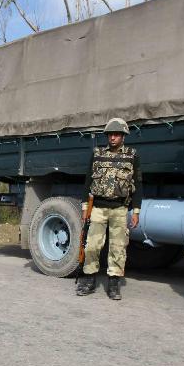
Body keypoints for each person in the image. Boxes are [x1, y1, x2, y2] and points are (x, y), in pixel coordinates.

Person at [75, 118, 142, 300]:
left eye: (116, 134)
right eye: (110, 134)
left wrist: (136, 210)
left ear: (123, 136)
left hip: (120, 208)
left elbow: (138, 184)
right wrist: (84, 207)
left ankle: (113, 285)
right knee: (92, 246)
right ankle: (89, 281)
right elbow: (87, 181)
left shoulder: (132, 155)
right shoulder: (97, 154)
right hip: (97, 207)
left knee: (118, 247)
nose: (112, 137)